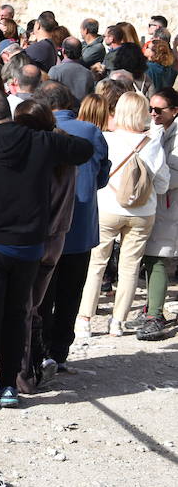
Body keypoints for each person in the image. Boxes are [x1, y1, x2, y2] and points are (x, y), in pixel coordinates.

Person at [0, 89, 92, 412]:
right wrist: (50, 137)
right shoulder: (40, 142)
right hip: (29, 248)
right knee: (16, 316)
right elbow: (83, 149)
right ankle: (8, 386)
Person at [77, 92, 172, 337]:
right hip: (143, 212)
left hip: (108, 207)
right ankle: (117, 323)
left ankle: (85, 319)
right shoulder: (152, 143)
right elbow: (162, 185)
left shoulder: (107, 138)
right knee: (130, 268)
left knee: (96, 263)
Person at [36, 84, 110, 377]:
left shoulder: (40, 133)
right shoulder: (92, 132)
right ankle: (60, 352)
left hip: (46, 228)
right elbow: (102, 178)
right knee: (71, 293)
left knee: (43, 295)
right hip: (81, 228)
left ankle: (40, 353)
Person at [12, 96, 78, 393]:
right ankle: (36, 365)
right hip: (56, 239)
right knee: (34, 307)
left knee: (23, 310)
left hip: (32, 239)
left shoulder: (35, 152)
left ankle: (23, 374)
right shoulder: (64, 147)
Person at [134, 87, 178, 339]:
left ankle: (155, 314)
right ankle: (151, 307)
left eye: (159, 110)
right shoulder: (160, 129)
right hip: (159, 203)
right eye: (150, 108)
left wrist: (147, 173)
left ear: (174, 111)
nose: (152, 113)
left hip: (169, 204)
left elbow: (172, 176)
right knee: (152, 257)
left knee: (158, 257)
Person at [48, 37, 94, 104]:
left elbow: (48, 94)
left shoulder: (55, 71)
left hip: (60, 111)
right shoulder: (88, 73)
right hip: (81, 111)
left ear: (63, 51)